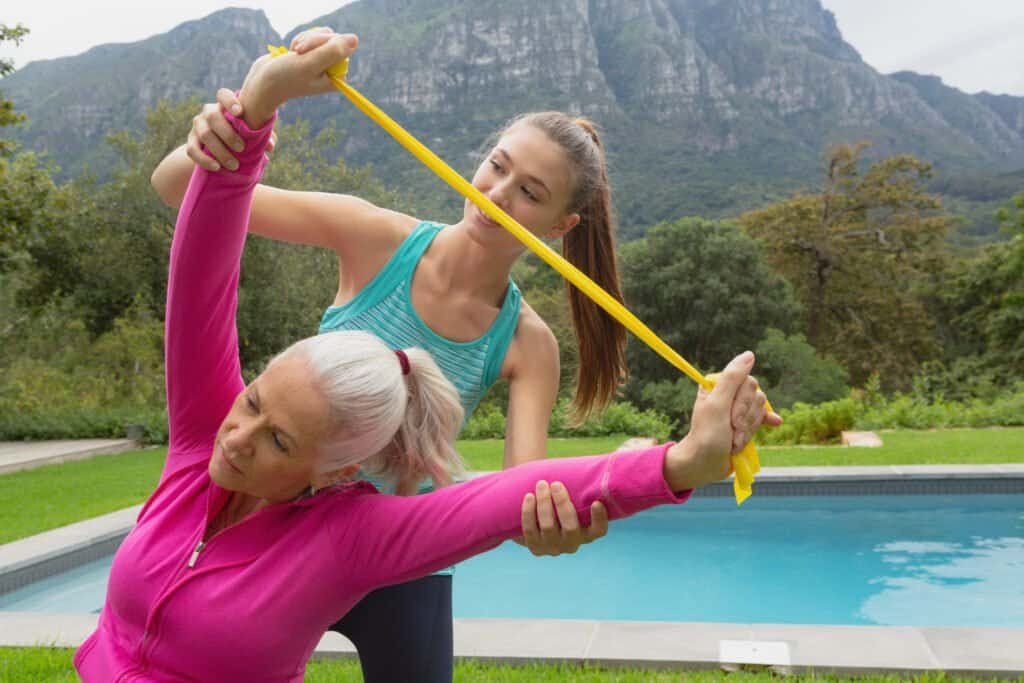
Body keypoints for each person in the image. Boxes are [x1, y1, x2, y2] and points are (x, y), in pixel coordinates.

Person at [147, 31, 780, 681]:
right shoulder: (373, 235)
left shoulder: (529, 344)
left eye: (531, 192)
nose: (500, 193)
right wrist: (217, 136)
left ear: (561, 226)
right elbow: (176, 189)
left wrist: (551, 522)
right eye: (498, 165)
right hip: (284, 516)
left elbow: (520, 493)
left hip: (399, 556)